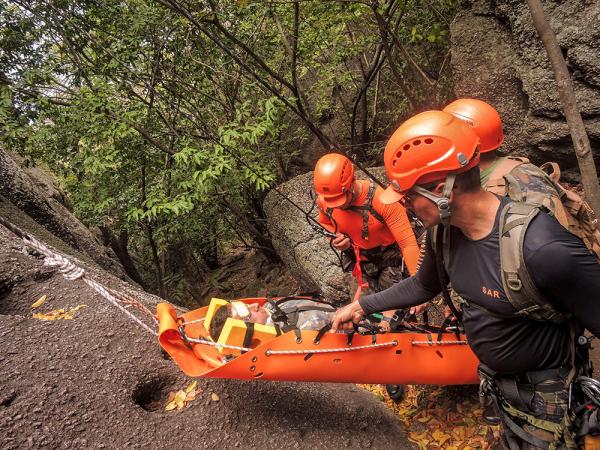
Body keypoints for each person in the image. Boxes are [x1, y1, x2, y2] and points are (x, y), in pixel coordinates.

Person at [331, 110, 600, 449]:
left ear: (442, 188)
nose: (408, 207)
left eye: (410, 196)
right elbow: (422, 285)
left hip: (551, 402)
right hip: (502, 391)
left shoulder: (541, 248)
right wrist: (360, 306)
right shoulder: (444, 235)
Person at [313, 153, 421, 330]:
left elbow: (408, 243)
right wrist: (337, 238)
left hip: (390, 257)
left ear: (352, 182)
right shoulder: (325, 200)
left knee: (392, 319)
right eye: (330, 202)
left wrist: (418, 287)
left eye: (340, 200)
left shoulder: (382, 200)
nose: (336, 206)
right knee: (361, 319)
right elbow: (325, 222)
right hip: (359, 259)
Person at [209, 298, 335, 342]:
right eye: (247, 312)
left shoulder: (272, 307)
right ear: (245, 331)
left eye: (246, 305)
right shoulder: (302, 327)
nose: (255, 305)